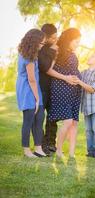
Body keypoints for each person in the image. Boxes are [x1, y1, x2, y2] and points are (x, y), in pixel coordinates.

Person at [38, 24, 77, 156]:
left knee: (52, 118)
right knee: (39, 117)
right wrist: (65, 78)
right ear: (45, 37)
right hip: (42, 87)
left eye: (56, 37)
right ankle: (41, 145)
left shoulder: (57, 49)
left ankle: (50, 144)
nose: (55, 39)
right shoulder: (41, 50)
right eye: (52, 37)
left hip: (53, 87)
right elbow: (46, 68)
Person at [48, 28, 81, 158]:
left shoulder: (72, 53)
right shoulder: (57, 49)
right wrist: (65, 78)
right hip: (60, 88)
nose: (78, 45)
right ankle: (59, 150)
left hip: (74, 91)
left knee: (73, 123)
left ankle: (71, 153)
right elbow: (49, 70)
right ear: (70, 39)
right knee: (67, 121)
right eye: (76, 42)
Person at [16, 29, 46, 158]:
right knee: (28, 119)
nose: (42, 45)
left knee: (39, 117)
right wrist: (37, 98)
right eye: (41, 43)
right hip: (28, 89)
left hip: (35, 88)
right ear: (35, 41)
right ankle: (27, 150)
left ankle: (38, 148)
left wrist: (38, 97)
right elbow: (31, 79)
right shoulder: (28, 56)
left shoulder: (33, 54)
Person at [75, 51, 95, 158]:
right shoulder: (84, 73)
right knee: (88, 130)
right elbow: (77, 77)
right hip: (87, 107)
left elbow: (92, 89)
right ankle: (91, 151)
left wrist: (79, 82)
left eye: (92, 56)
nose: (89, 57)